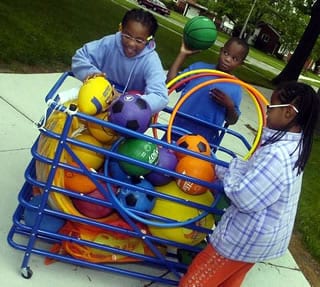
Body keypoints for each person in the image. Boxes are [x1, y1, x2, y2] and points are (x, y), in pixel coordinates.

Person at [178, 81, 320, 287]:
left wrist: (228, 170)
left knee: (195, 282)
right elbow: (254, 175)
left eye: (271, 107)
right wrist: (221, 168)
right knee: (229, 281)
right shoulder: (293, 144)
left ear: (289, 113)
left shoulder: (277, 155)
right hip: (260, 241)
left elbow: (243, 196)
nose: (267, 111)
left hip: (243, 239)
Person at [71, 8, 168, 114]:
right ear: (121, 29)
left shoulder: (151, 60)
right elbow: (79, 57)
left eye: (139, 40)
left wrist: (125, 101)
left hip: (126, 113)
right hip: (97, 99)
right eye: (127, 36)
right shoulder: (109, 43)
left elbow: (160, 96)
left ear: (149, 40)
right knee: (65, 118)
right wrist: (94, 76)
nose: (131, 43)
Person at [166, 37, 249, 143]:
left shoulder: (235, 87)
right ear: (220, 51)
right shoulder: (199, 69)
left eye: (235, 59)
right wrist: (182, 54)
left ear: (241, 64)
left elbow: (232, 120)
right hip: (177, 129)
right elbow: (171, 83)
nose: (227, 59)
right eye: (226, 53)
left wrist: (229, 106)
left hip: (204, 141)